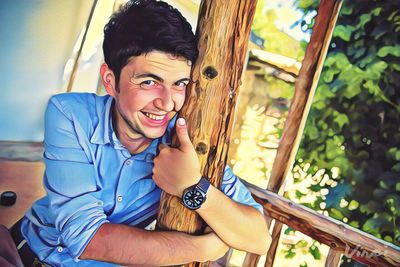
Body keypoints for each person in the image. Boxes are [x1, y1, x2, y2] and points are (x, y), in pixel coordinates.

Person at [17, 0, 271, 266]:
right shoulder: (70, 114)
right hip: (29, 254)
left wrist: (193, 187)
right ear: (110, 81)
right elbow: (86, 238)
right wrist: (205, 248)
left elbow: (258, 239)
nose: (167, 102)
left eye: (179, 84)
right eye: (149, 82)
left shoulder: (185, 141)